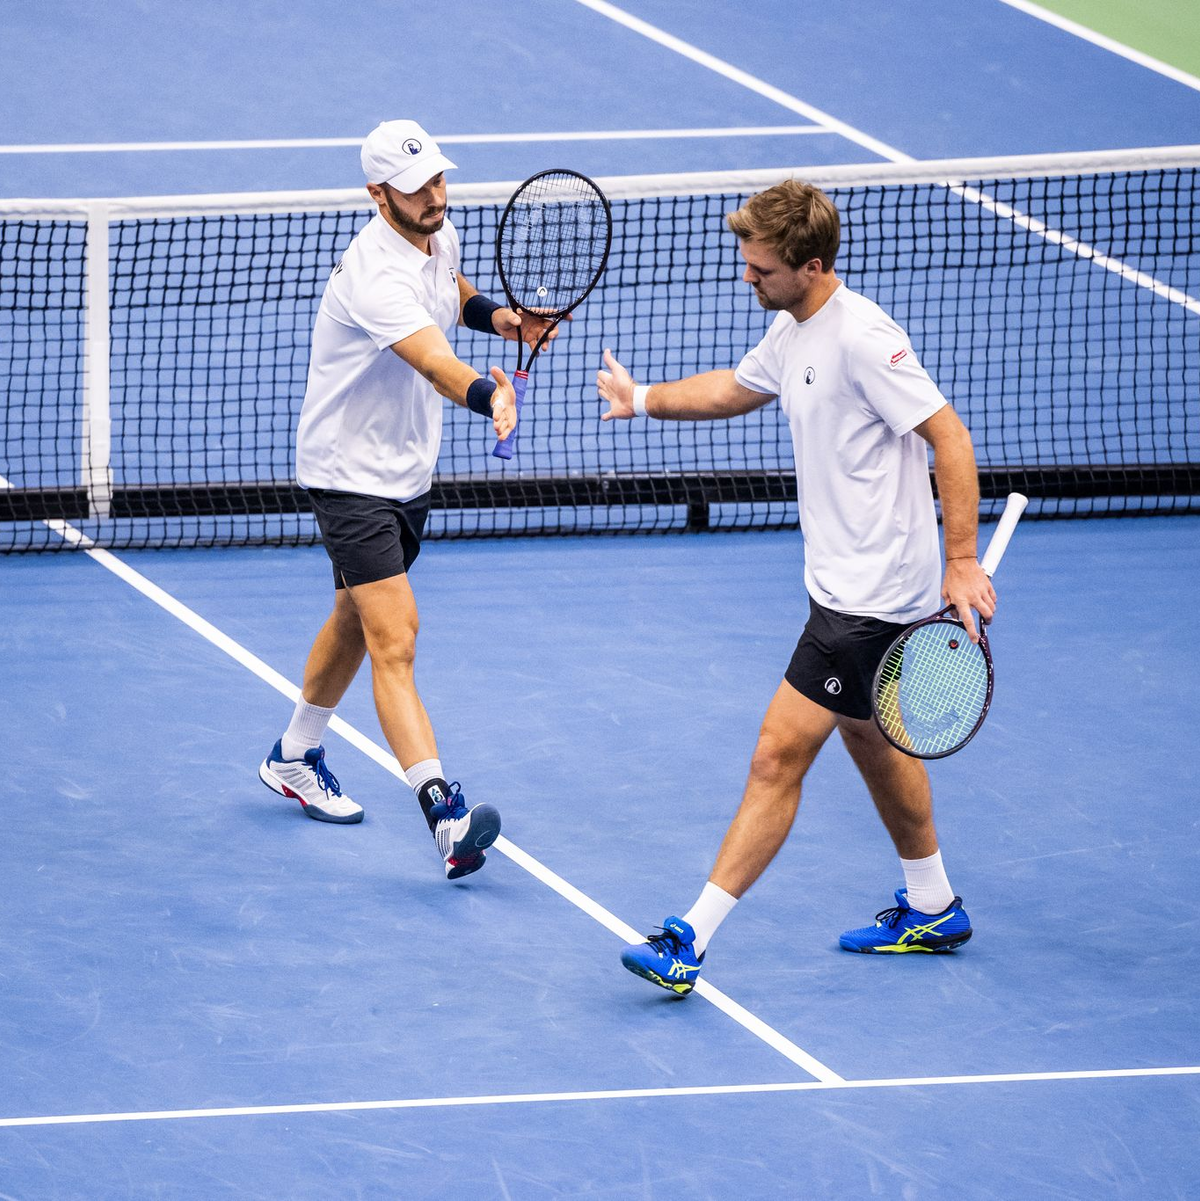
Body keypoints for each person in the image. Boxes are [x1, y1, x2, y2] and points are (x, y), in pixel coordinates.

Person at [597, 179, 997, 991]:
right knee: (869, 737)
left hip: (873, 600)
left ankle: (688, 940)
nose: (748, 278)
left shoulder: (864, 340)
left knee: (777, 755)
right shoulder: (793, 328)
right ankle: (934, 901)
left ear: (810, 266)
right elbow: (734, 390)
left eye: (762, 269)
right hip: (839, 587)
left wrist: (960, 559)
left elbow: (949, 438)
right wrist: (640, 399)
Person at [259, 119, 555, 880]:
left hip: (404, 473)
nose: (435, 195)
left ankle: (293, 753)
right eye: (417, 186)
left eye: (439, 179)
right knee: (397, 633)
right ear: (376, 193)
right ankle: (444, 813)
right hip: (348, 473)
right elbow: (430, 360)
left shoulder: (437, 233)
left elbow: (450, 294)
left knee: (355, 616)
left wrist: (500, 317)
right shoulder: (372, 275)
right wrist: (489, 392)